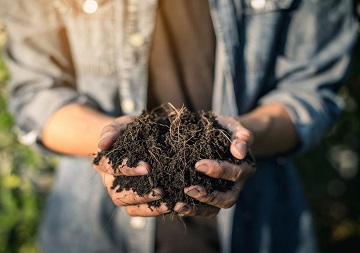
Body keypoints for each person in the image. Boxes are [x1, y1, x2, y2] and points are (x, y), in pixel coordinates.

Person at [0, 0, 357, 252]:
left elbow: (311, 92)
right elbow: (37, 94)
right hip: (96, 234)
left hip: (258, 227)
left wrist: (241, 139)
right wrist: (107, 142)